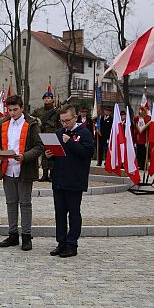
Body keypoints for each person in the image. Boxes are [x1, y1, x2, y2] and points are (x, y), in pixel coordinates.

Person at [45, 105, 94, 258]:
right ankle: (61, 242)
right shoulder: (59, 133)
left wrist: (70, 142)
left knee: (73, 213)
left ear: (75, 118)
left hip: (75, 180)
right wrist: (50, 154)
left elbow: (87, 153)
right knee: (59, 212)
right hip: (59, 178)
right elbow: (59, 154)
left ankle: (72, 244)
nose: (64, 124)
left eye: (67, 120)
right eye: (62, 121)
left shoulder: (84, 133)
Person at [0, 95, 43, 251]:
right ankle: (13, 234)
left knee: (25, 203)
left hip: (24, 168)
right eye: (9, 110)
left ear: (22, 108)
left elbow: (38, 147)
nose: (12, 113)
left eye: (15, 110)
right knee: (10, 203)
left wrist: (24, 156)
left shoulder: (31, 124)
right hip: (8, 168)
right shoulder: (3, 123)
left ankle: (27, 236)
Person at [31, 91, 61, 182]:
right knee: (44, 155)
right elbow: (31, 119)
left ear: (52, 100)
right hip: (41, 134)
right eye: (45, 98)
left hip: (52, 135)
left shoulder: (56, 112)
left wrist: (58, 134)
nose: (47, 99)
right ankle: (44, 175)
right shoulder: (38, 111)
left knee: (52, 155)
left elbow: (59, 124)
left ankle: (52, 174)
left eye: (49, 98)